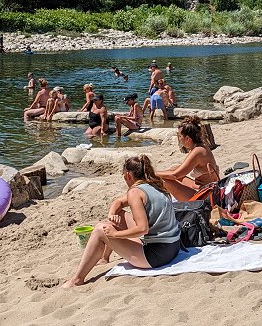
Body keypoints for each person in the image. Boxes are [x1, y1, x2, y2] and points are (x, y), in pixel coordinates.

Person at [62, 155, 180, 287]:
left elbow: (143, 229)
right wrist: (112, 214)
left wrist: (115, 234)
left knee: (100, 230)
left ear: (128, 175)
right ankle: (104, 258)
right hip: (173, 247)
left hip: (156, 255)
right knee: (115, 217)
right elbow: (118, 202)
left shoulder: (135, 192)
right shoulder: (154, 185)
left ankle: (77, 279)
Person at [157, 116, 219, 201]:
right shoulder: (200, 147)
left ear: (187, 139)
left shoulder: (197, 152)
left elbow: (175, 175)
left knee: (163, 179)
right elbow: (178, 170)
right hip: (203, 187)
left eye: (180, 136)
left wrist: (152, 173)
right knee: (173, 170)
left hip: (205, 195)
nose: (179, 139)